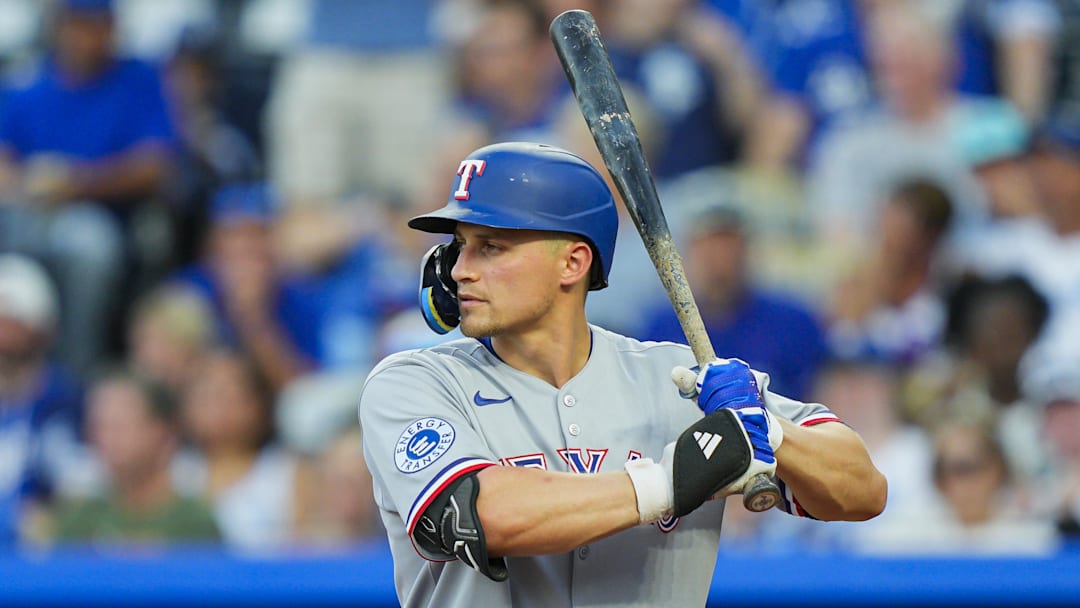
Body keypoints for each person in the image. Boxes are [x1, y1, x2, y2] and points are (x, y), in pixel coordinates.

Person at [357, 142, 886, 606]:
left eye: (490, 247)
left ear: (573, 263)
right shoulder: (413, 383)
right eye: (458, 246)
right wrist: (671, 481)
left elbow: (863, 491)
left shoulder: (677, 379)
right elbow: (480, 515)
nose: (457, 269)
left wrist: (769, 432)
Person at [0, 0, 177, 377]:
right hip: (27, 208)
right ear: (57, 26)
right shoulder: (27, 79)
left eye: (96, 25)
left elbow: (155, 166)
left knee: (89, 245)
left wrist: (79, 183)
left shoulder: (138, 79)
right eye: (76, 24)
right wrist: (22, 185)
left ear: (112, 27)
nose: (86, 36)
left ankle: (76, 374)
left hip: (102, 213)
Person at [49, 368, 219, 546]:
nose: (107, 438)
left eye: (121, 425)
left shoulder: (195, 524)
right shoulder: (79, 521)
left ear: (164, 433)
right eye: (100, 426)